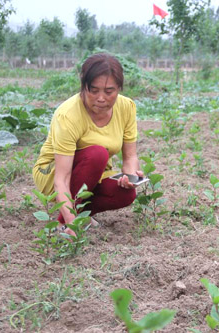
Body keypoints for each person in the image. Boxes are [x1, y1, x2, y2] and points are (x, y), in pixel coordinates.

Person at [33, 53, 143, 237]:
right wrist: (70, 222)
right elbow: (62, 177)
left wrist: (130, 178)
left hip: (95, 173)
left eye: (109, 91)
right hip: (54, 174)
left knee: (126, 195)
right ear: (84, 87)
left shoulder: (126, 108)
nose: (101, 98)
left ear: (119, 89)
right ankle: (64, 221)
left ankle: (81, 214)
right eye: (94, 90)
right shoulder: (68, 115)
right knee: (97, 154)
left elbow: (130, 157)